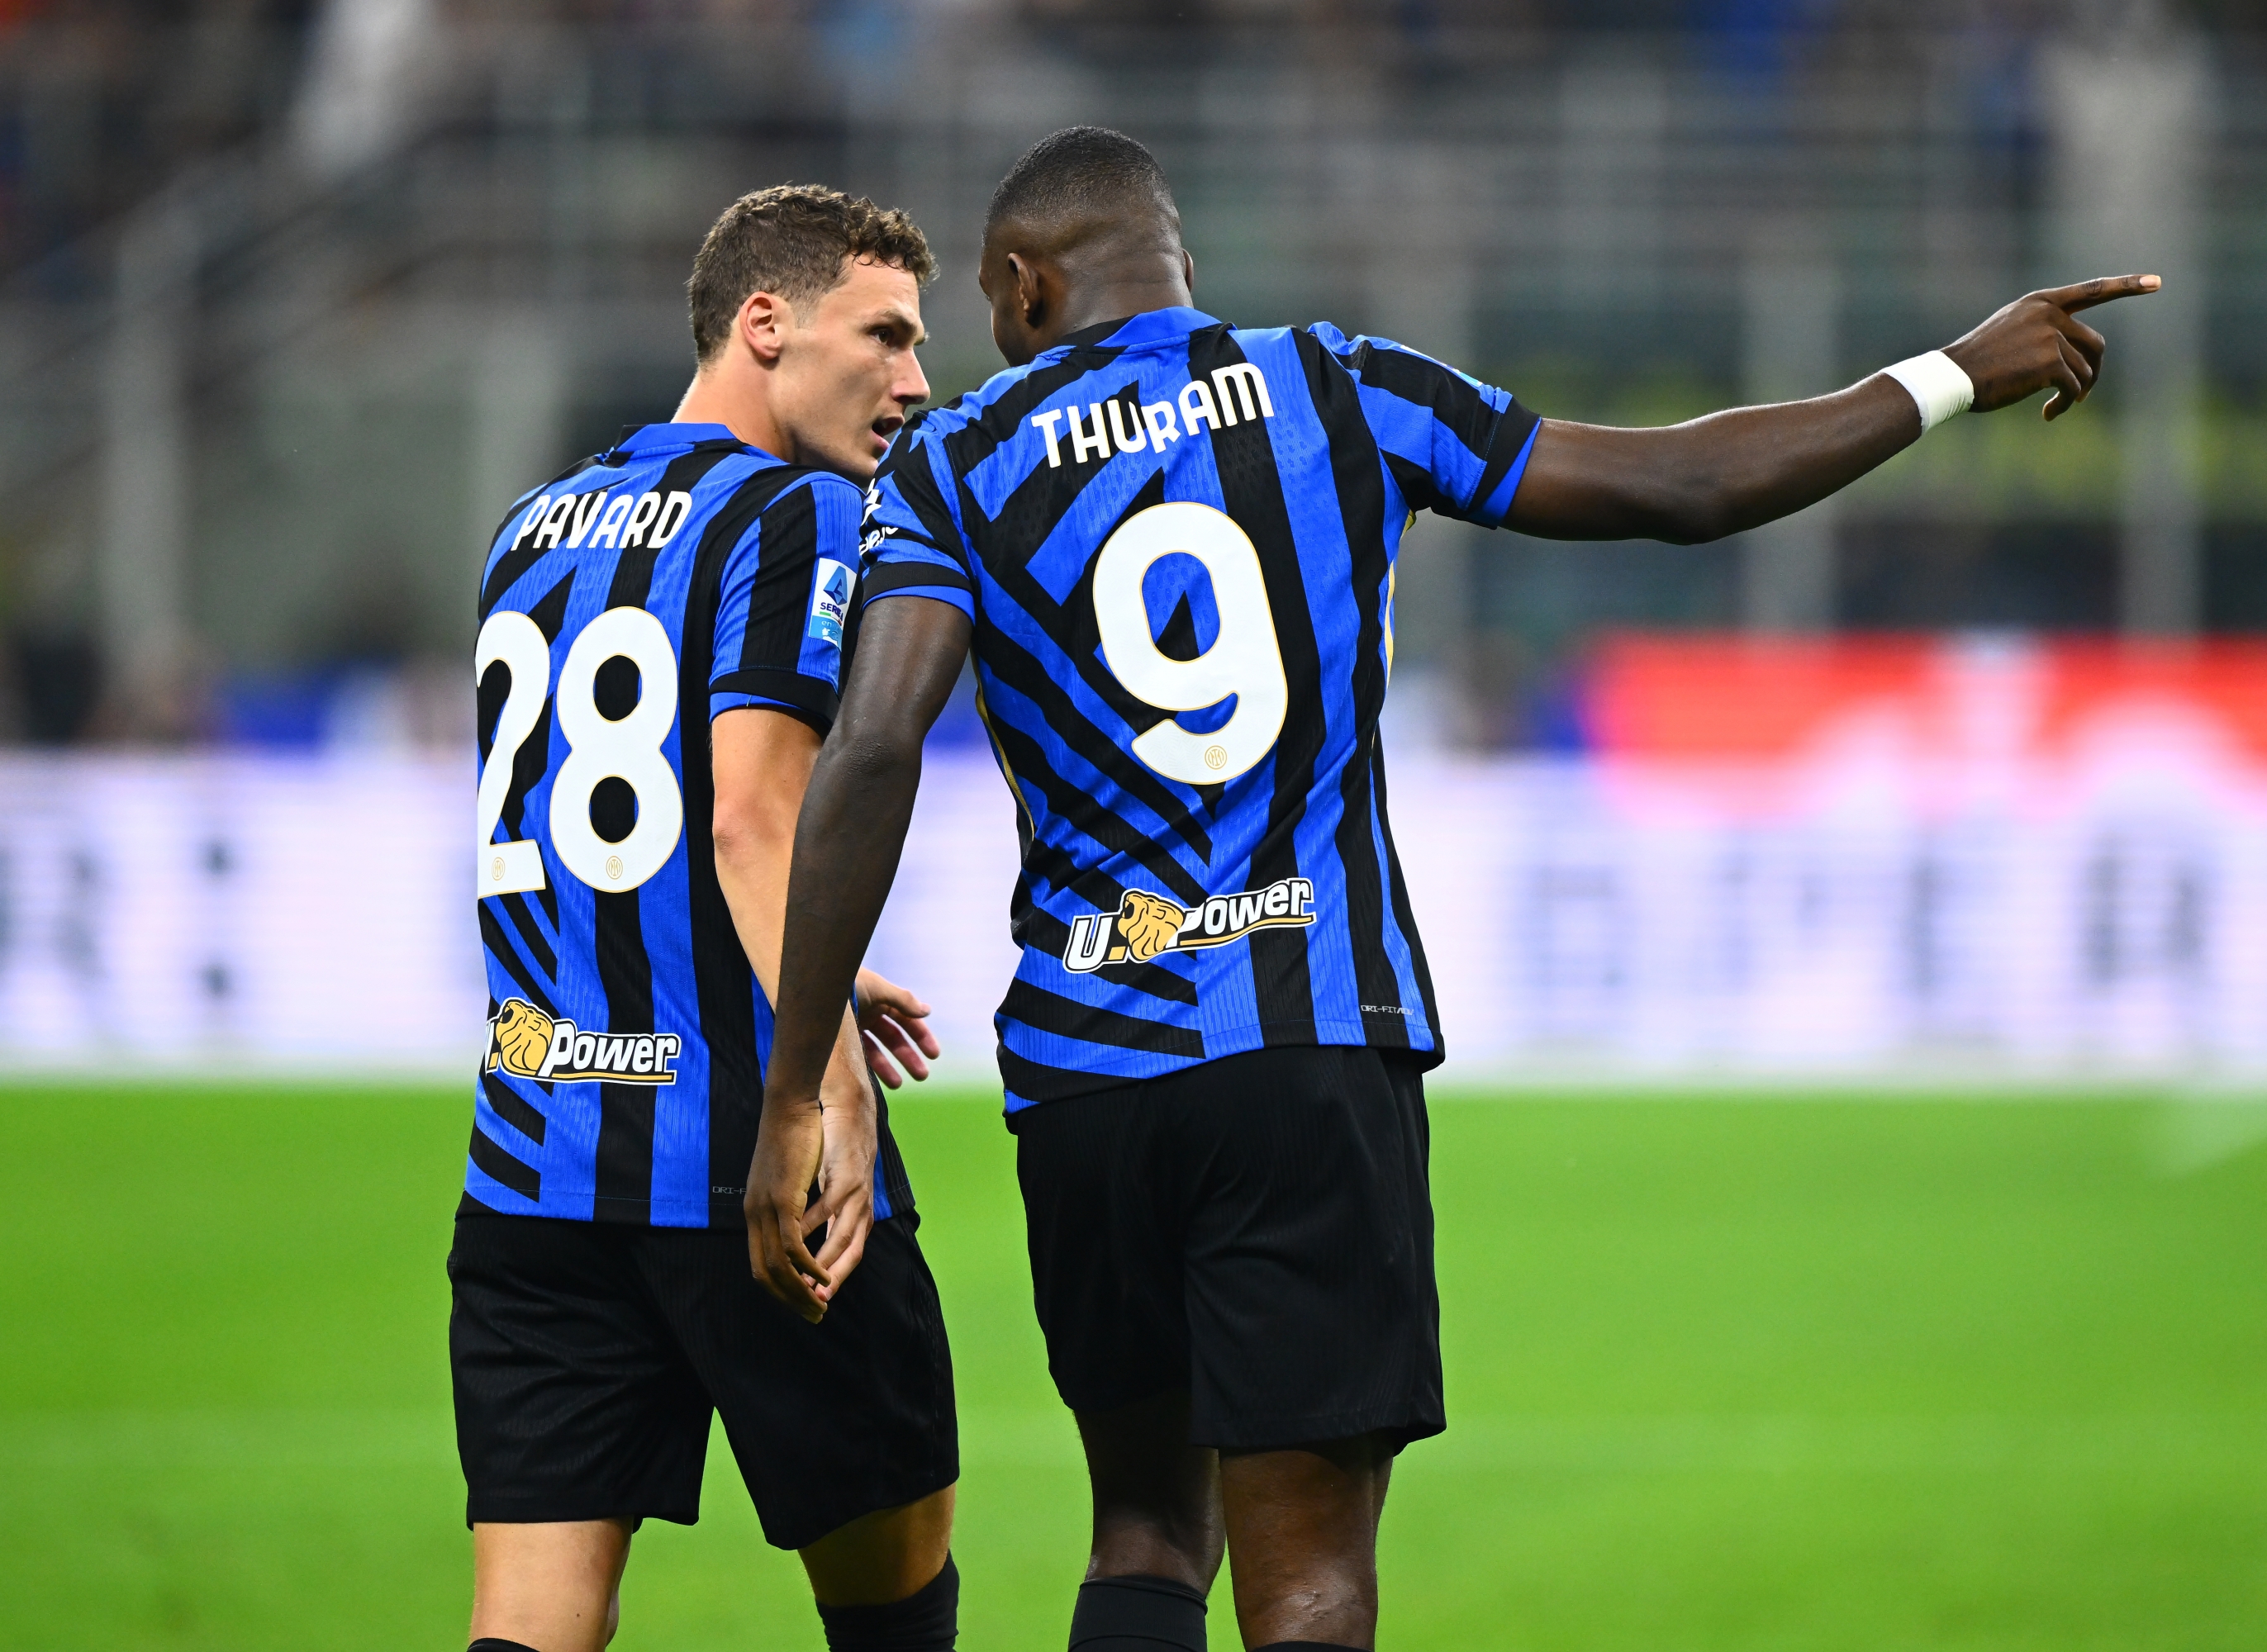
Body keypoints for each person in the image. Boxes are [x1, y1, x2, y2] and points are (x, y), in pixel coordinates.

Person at [749, 127, 2156, 1652]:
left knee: (1145, 1536)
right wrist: (1948, 372)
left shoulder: (952, 463)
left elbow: (875, 746)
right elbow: (1681, 488)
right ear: (1180, 272)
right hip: (1306, 1046)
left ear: (1023, 288)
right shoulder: (1332, 385)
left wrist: (792, 1094)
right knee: (1314, 1578)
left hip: (1093, 1068)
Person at [454, 184, 959, 1652]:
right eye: (886, 334)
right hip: (744, 1156)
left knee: (534, 1621)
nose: (918, 381)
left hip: (536, 1165)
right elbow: (749, 814)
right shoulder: (800, 512)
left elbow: (608, 831)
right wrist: (827, 1089)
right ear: (765, 324)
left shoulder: (531, 527)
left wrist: (827, 958)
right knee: (896, 1591)